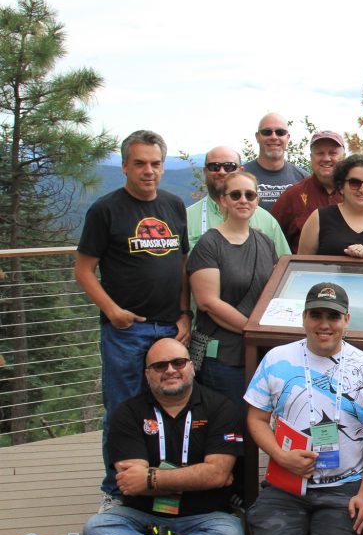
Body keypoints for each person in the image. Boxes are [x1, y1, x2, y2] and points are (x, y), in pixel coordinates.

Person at [244, 283, 363, 535]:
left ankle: (315, 531)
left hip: (343, 483)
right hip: (287, 481)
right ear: (304, 318)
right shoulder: (277, 358)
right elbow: (256, 419)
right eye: (316, 315)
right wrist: (280, 456)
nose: (324, 324)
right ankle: (300, 529)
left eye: (333, 316)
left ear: (346, 320)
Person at [75, 130, 191, 513]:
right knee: (124, 409)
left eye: (156, 163)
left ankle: (160, 480)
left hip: (169, 329)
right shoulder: (106, 210)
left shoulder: (174, 206)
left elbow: (183, 265)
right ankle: (116, 488)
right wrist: (112, 311)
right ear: (125, 165)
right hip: (127, 330)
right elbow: (84, 270)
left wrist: (184, 313)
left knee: (173, 408)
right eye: (140, 163)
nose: (149, 171)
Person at [82, 338, 244, 535]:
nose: (170, 370)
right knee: (96, 529)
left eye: (178, 362)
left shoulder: (221, 408)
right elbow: (131, 484)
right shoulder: (128, 414)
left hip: (204, 517)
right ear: (147, 374)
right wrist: (199, 476)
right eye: (159, 366)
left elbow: (217, 474)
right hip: (141, 517)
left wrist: (151, 478)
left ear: (191, 366)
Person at [187, 170, 278, 428]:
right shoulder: (209, 244)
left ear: (257, 200)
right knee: (228, 426)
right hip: (223, 356)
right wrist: (253, 329)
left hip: (259, 353)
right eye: (235, 194)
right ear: (222, 200)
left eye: (250, 195)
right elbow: (208, 302)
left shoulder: (265, 243)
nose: (243, 200)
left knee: (255, 424)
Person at [186, 145, 291, 257]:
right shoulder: (186, 218)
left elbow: (284, 264)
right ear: (205, 171)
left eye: (229, 167)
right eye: (214, 167)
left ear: (241, 170)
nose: (222, 172)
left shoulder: (267, 221)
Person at [272, 131, 346, 252]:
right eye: (320, 153)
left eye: (333, 153)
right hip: (305, 270)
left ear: (344, 157)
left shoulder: (358, 193)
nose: (326, 158)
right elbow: (270, 238)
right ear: (311, 158)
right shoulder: (292, 196)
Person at [243, 113, 308, 210]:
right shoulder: (240, 175)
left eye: (280, 132)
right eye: (266, 132)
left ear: (288, 137)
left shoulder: (304, 179)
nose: (273, 137)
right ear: (257, 137)